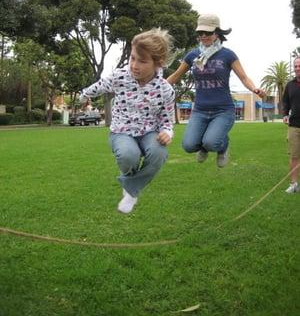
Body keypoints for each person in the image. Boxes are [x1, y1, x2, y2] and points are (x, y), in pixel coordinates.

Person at [80, 28, 175, 213]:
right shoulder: (120, 76)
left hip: (149, 132)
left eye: (142, 61)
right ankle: (130, 182)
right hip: (122, 131)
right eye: (132, 58)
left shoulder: (165, 90)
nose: (134, 65)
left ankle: (131, 189)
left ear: (158, 63)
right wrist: (84, 95)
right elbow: (101, 85)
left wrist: (167, 132)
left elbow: (166, 119)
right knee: (127, 155)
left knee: (159, 154)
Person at [167, 13, 264, 167]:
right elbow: (176, 75)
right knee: (188, 146)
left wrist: (255, 89)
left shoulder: (227, 55)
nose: (203, 36)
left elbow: (244, 77)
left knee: (211, 142)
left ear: (217, 33)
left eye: (208, 32)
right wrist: (156, 87)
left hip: (223, 110)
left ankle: (222, 146)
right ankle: (205, 147)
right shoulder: (193, 55)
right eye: (200, 33)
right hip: (200, 110)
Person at [282, 56, 300, 194]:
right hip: (294, 126)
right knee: (294, 156)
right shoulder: (290, 85)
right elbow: (286, 103)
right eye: (295, 66)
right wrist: (285, 115)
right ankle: (294, 184)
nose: (297, 68)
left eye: (299, 66)